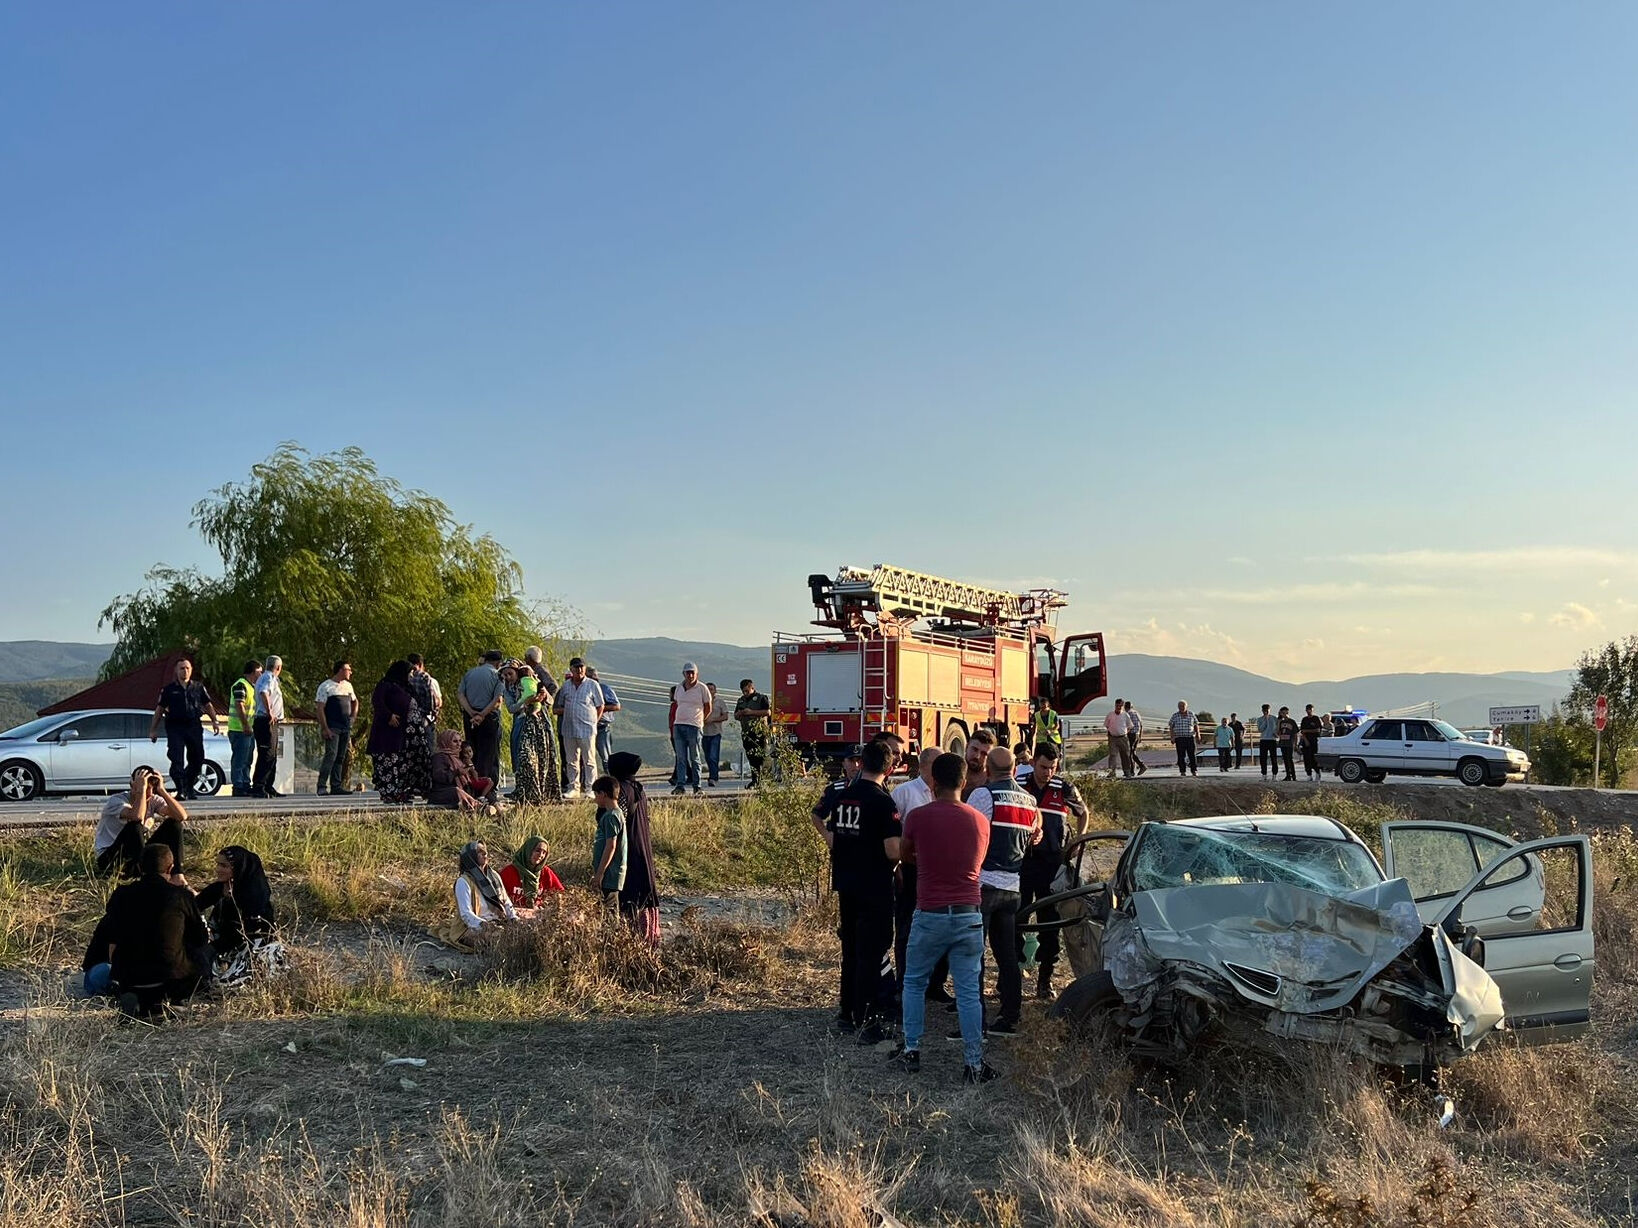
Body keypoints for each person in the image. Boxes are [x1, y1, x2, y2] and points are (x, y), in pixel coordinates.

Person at [889, 752, 993, 1084]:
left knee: (914, 982)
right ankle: (974, 1063)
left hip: (930, 912)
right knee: (968, 991)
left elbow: (906, 853)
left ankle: (911, 1050)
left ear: (933, 782)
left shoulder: (918, 817)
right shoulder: (980, 820)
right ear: (964, 782)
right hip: (968, 915)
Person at [824, 740, 902, 1045]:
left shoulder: (844, 797)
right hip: (874, 887)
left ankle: (847, 1011)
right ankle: (868, 1020)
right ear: (889, 767)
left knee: (852, 950)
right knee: (873, 951)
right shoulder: (884, 803)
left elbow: (834, 834)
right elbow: (892, 850)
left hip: (847, 884)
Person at [964, 746, 1039, 1037]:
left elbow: (968, 833)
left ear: (988, 770)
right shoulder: (1029, 800)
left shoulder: (984, 795)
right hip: (1013, 887)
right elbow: (1032, 836)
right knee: (1007, 954)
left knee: (974, 955)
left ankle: (976, 1019)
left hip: (984, 885)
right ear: (1014, 770)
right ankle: (1010, 1016)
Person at [102, 842, 209, 1017]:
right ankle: (174, 1001)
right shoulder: (180, 896)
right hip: (171, 976)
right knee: (200, 953)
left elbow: (111, 937)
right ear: (171, 868)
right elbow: (200, 938)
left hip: (128, 974)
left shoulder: (121, 894)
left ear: (139, 866)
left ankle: (136, 997)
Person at [1016, 743, 1088, 1000]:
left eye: (1052, 768)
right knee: (1016, 917)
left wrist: (1077, 842)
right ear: (1034, 762)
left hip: (1052, 862)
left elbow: (1083, 813)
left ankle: (1045, 980)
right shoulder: (1019, 781)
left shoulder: (1064, 787)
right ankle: (1014, 972)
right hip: (1023, 860)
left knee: (1049, 923)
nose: (1047, 772)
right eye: (1044, 767)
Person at [890, 748, 949, 1000]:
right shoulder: (904, 793)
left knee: (943, 929)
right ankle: (903, 983)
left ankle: (936, 985)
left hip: (942, 873)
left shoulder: (949, 793)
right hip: (912, 870)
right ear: (925, 765)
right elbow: (894, 833)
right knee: (907, 928)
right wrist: (898, 866)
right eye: (938, 763)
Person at [94, 766, 188, 878]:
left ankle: (178, 876)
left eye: (152, 789)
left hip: (136, 856)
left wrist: (162, 791)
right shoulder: (116, 800)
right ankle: (144, 876)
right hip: (110, 857)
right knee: (134, 826)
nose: (150, 793)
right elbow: (137, 817)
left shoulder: (153, 799)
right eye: (146, 788)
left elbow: (181, 816)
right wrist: (141, 791)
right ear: (132, 785)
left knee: (174, 824)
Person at [606, 752, 661, 943]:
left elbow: (616, 820)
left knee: (629, 892)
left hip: (628, 848)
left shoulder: (621, 791)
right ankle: (648, 938)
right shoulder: (638, 788)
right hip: (642, 846)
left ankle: (631, 940)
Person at [148, 658, 220, 799]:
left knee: (198, 758)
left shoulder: (198, 687)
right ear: (176, 670)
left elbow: (208, 705)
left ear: (191, 670)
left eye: (187, 668)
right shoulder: (169, 690)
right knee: (177, 759)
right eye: (182, 668)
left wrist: (215, 721)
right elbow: (159, 709)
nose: (185, 671)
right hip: (175, 727)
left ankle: (189, 786)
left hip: (193, 725)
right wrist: (153, 729)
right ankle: (180, 789)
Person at [191, 845, 275, 956]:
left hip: (248, 951)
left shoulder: (254, 896)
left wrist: (211, 948)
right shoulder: (220, 888)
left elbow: (246, 934)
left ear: (238, 868)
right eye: (217, 864)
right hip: (220, 942)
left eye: (224, 866)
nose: (218, 869)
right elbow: (194, 906)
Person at [553, 657, 605, 799]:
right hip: (569, 728)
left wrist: (595, 720)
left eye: (581, 667)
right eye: (576, 667)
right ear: (571, 669)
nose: (579, 670)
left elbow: (600, 705)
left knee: (589, 760)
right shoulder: (566, 686)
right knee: (571, 760)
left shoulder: (592, 685)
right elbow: (559, 705)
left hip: (587, 728)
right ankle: (573, 787)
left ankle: (591, 788)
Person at [509, 663, 560, 805]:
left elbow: (550, 697)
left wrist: (541, 696)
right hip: (522, 724)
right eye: (505, 675)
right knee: (525, 757)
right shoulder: (509, 688)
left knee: (542, 757)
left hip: (539, 725)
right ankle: (525, 791)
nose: (508, 677)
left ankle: (542, 792)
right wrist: (525, 701)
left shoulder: (534, 681)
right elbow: (511, 708)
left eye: (510, 674)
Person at [458, 650, 508, 795]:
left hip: (470, 717)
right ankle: (487, 788)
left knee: (471, 751)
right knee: (490, 753)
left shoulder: (470, 673)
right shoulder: (498, 675)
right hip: (489, 718)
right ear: (499, 663)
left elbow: (460, 694)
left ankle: (472, 784)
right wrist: (482, 714)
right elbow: (498, 699)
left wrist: (471, 712)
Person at [368, 660, 416, 803]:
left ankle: (399, 793)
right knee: (386, 764)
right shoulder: (385, 685)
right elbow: (377, 701)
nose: (412, 676)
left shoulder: (404, 687)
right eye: (410, 673)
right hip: (385, 732)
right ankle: (388, 793)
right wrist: (388, 715)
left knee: (399, 764)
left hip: (400, 733)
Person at [454, 841, 518, 935]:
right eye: (479, 851)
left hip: (498, 923)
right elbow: (466, 914)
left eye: (485, 851)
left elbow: (506, 901)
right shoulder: (463, 882)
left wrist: (514, 919)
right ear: (470, 857)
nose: (485, 853)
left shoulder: (495, 876)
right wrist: (486, 926)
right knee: (497, 940)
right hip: (474, 927)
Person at [315, 660, 358, 796]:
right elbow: (320, 708)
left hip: (345, 726)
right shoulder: (326, 686)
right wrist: (325, 728)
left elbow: (355, 702)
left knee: (341, 756)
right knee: (331, 755)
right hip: (332, 726)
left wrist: (353, 717)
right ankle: (322, 785)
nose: (350, 672)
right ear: (340, 670)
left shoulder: (348, 686)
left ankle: (336, 785)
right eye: (348, 669)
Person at [668, 663, 710, 795]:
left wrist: (700, 720)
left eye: (692, 672)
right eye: (688, 673)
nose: (690, 675)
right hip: (678, 725)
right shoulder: (679, 688)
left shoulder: (702, 688)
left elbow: (708, 707)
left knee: (695, 757)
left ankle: (697, 786)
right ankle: (680, 785)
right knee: (680, 758)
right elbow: (677, 704)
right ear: (684, 674)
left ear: (697, 674)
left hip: (694, 726)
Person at [429, 729, 490, 811]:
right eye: (455, 741)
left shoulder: (459, 756)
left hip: (462, 789)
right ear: (445, 741)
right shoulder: (439, 757)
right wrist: (456, 772)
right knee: (457, 791)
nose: (458, 744)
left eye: (460, 741)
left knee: (487, 785)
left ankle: (495, 805)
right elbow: (439, 777)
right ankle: (478, 806)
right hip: (442, 792)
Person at [592, 776, 628, 909]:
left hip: (610, 874)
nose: (595, 799)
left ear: (603, 794)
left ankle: (614, 930)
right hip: (611, 873)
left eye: (596, 795)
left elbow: (611, 846)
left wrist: (599, 874)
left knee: (609, 909)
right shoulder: (617, 814)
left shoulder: (611, 816)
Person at [251, 655, 284, 798]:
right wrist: (270, 712)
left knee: (272, 755)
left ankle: (268, 786)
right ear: (278, 667)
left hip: (271, 721)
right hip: (265, 720)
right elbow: (264, 692)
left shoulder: (270, 678)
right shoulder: (268, 678)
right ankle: (259, 785)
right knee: (266, 754)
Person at [226, 660, 261, 797]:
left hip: (248, 729)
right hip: (239, 729)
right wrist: (245, 725)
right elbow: (239, 705)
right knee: (239, 759)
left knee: (248, 758)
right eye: (259, 671)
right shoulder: (241, 685)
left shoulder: (252, 687)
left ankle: (246, 783)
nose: (261, 674)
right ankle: (238, 785)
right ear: (253, 672)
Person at [500, 835, 564, 908]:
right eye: (537, 850)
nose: (540, 855)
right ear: (528, 850)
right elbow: (497, 897)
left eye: (544, 852)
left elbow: (560, 893)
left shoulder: (545, 872)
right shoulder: (509, 871)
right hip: (513, 914)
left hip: (539, 916)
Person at [734, 678, 772, 785]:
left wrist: (752, 712)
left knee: (760, 756)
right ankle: (755, 780)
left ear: (752, 688)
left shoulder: (761, 698)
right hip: (747, 732)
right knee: (751, 757)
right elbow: (736, 715)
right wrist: (741, 713)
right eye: (743, 691)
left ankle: (761, 779)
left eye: (747, 691)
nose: (745, 693)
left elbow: (767, 712)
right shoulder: (741, 700)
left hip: (760, 732)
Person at [407, 653, 442, 760]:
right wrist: (434, 713)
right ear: (421, 664)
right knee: (429, 749)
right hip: (425, 718)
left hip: (408, 718)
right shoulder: (425, 677)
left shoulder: (405, 678)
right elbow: (432, 699)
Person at [587, 667, 620, 774]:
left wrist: (599, 708)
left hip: (602, 727)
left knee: (606, 757)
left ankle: (612, 780)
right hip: (585, 727)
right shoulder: (582, 688)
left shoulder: (604, 688)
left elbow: (616, 706)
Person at [701, 682, 730, 787]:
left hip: (715, 733)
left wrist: (713, 720)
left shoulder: (720, 702)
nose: (709, 691)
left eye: (711, 689)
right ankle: (712, 775)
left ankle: (713, 777)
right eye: (707, 689)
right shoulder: (701, 702)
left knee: (713, 756)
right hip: (704, 733)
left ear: (715, 691)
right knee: (708, 757)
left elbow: (726, 716)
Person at [960, 728, 997, 802]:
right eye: (974, 749)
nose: (977, 756)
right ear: (966, 747)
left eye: (984, 754)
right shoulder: (952, 776)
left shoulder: (993, 783)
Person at [1168, 701, 1199, 777]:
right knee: (1181, 756)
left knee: (1192, 755)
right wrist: (1172, 737)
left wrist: (1198, 734)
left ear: (1186, 706)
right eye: (1180, 706)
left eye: (1183, 706)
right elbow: (1171, 727)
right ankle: (1182, 771)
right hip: (1179, 738)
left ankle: (1194, 770)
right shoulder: (1175, 715)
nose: (1181, 707)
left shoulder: (1191, 714)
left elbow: (1196, 725)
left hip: (1190, 738)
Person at [1104, 699, 1134, 779]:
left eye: (1120, 706)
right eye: (1117, 705)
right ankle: (1111, 772)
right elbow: (1106, 725)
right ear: (1115, 705)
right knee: (1113, 755)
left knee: (1125, 755)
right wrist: (1112, 731)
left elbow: (1130, 726)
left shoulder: (1125, 715)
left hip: (1123, 737)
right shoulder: (1110, 714)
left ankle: (1127, 771)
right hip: (1112, 738)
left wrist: (1124, 732)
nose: (1119, 707)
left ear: (1123, 706)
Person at [1299, 704, 1324, 781]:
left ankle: (1317, 772)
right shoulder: (1304, 719)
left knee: (1314, 758)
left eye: (1310, 709)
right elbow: (1302, 731)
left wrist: (1307, 731)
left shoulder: (1316, 719)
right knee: (1306, 759)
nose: (1309, 711)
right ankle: (1309, 774)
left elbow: (1318, 730)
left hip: (1314, 741)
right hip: (1306, 741)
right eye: (1308, 709)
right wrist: (1305, 740)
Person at [1125, 700, 1148, 776]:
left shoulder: (1127, 714)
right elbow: (1141, 725)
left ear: (1125, 707)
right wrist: (1140, 736)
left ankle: (1140, 766)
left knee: (1130, 753)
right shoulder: (1137, 713)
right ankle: (1132, 770)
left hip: (1131, 734)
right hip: (1137, 734)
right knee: (1133, 752)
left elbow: (1127, 726)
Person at [1256, 704, 1279, 778]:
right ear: (1262, 711)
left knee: (1273, 758)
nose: (1266, 712)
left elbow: (1277, 728)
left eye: (1267, 710)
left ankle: (1274, 774)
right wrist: (1265, 720)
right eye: (1264, 710)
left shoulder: (1275, 718)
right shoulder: (1259, 719)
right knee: (1263, 758)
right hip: (1263, 739)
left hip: (1272, 740)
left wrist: (1277, 735)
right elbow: (1260, 729)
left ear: (1269, 710)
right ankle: (1264, 774)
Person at [1277, 706, 1299, 782]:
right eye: (1282, 713)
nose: (1283, 714)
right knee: (1285, 760)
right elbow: (1278, 733)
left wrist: (1295, 744)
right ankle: (1287, 775)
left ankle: (1293, 775)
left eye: (1284, 713)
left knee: (1290, 759)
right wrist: (1279, 722)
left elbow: (1296, 734)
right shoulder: (1281, 722)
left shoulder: (1292, 722)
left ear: (1287, 712)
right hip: (1283, 743)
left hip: (1290, 743)